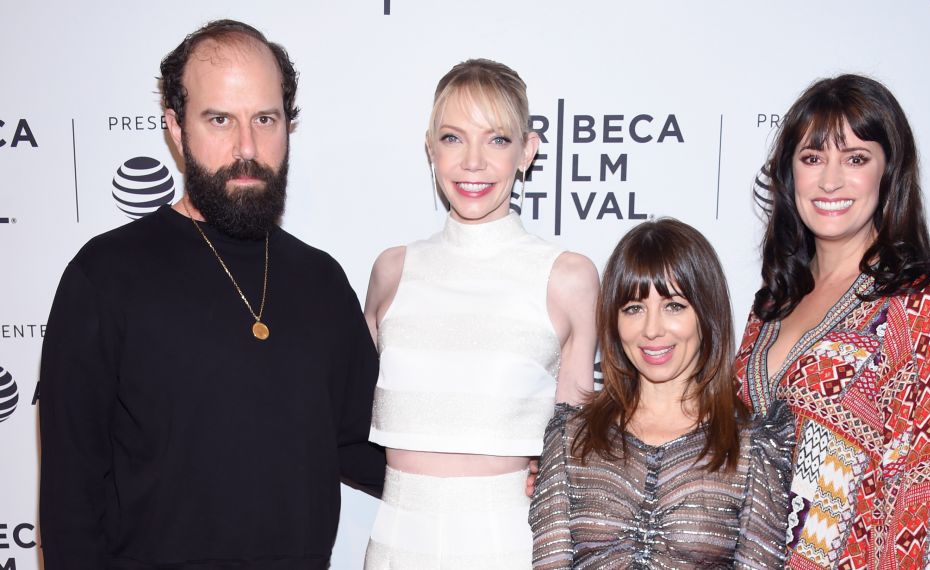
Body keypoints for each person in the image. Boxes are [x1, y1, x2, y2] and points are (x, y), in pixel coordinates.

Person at [39, 19, 384, 569]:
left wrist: (503, 474)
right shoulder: (104, 276)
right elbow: (71, 505)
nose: (246, 147)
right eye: (219, 119)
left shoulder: (321, 280)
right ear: (176, 129)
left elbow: (370, 449)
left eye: (265, 119)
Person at [362, 59, 599, 568]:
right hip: (393, 547)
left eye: (496, 139)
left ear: (527, 151)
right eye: (452, 138)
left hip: (508, 546)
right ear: (430, 147)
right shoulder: (392, 271)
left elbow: (575, 443)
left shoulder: (568, 276)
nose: (473, 162)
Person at [735, 74, 930, 569]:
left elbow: (923, 495)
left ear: (889, 173)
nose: (830, 180)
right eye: (813, 158)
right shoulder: (772, 304)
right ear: (789, 174)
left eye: (856, 159)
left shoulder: (921, 303)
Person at [530, 218, 794, 569]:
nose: (652, 329)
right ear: (614, 321)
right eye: (634, 308)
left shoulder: (751, 450)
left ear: (706, 313)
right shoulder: (571, 440)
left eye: (674, 306)